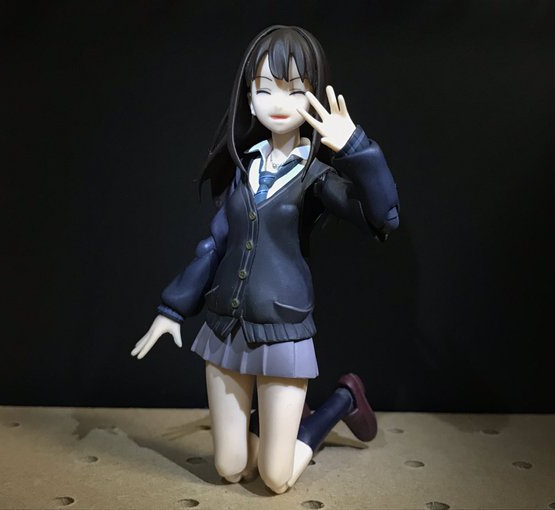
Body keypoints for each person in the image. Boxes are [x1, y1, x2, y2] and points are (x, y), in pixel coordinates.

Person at [131, 25, 399, 494]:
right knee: (231, 468)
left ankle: (340, 401)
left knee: (275, 478)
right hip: (225, 328)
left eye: (295, 89)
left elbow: (383, 217)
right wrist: (172, 309)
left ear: (313, 95)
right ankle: (274, 425)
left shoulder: (317, 177)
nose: (278, 101)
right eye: (264, 88)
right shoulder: (245, 167)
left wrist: (356, 147)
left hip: (283, 329)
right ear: (249, 98)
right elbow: (214, 244)